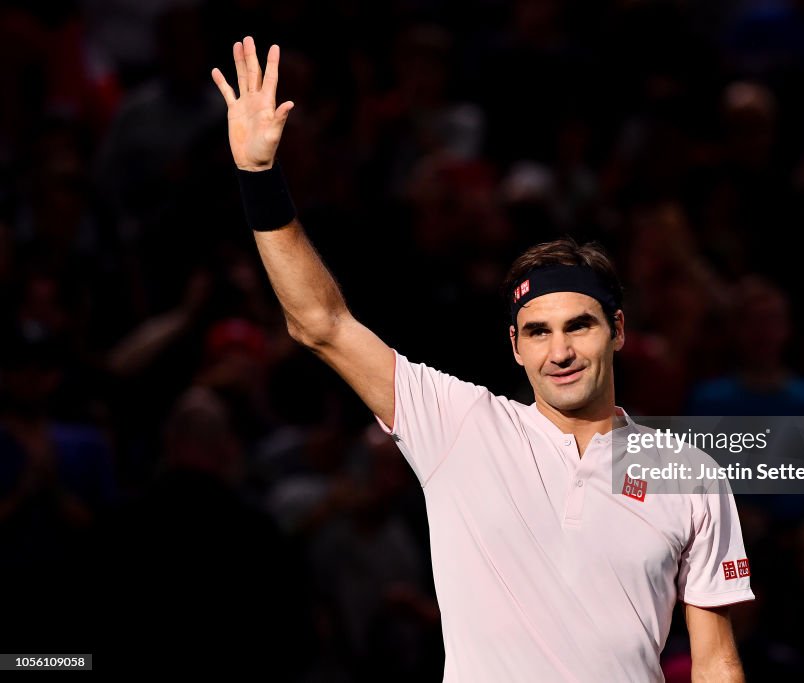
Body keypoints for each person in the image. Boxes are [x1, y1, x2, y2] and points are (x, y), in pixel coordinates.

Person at [211, 36, 753, 682]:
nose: (560, 350)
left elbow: (716, 660)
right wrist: (259, 180)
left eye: (578, 325)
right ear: (516, 347)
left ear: (617, 331)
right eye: (539, 331)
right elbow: (320, 323)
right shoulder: (461, 424)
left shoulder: (687, 473)